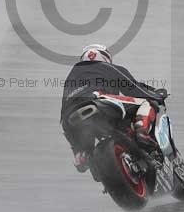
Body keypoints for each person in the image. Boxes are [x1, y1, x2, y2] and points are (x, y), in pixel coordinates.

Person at [60, 44, 161, 172]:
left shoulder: (71, 77)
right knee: (146, 103)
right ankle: (142, 134)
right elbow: (134, 89)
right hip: (98, 99)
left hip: (69, 118)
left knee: (85, 153)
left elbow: (63, 111)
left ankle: (82, 156)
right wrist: (155, 96)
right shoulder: (108, 67)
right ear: (105, 57)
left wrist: (77, 148)